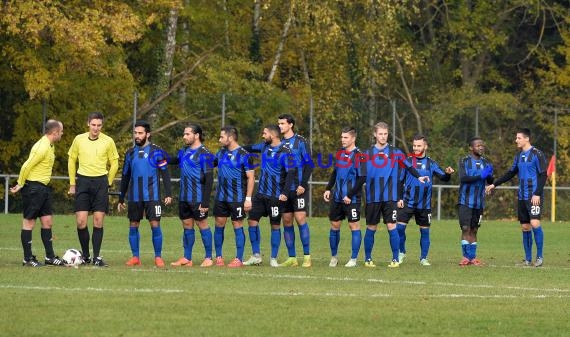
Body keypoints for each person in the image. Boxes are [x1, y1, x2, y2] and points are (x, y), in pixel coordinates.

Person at [363, 122, 429, 268]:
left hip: (390, 197)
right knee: (371, 227)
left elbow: (409, 166)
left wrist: (419, 177)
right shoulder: (367, 154)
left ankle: (395, 259)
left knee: (392, 226)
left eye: (385, 134)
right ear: (375, 135)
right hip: (372, 197)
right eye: (380, 134)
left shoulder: (395, 152)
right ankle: (368, 259)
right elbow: (359, 173)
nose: (383, 136)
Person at [486, 128, 546, 267]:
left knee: (535, 223)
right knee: (525, 227)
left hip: (534, 196)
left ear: (527, 139)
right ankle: (527, 259)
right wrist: (494, 184)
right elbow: (510, 173)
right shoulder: (518, 156)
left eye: (518, 138)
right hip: (522, 196)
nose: (516, 140)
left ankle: (540, 257)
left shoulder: (537, 154)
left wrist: (537, 193)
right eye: (516, 138)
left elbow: (543, 175)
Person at [117, 120, 172, 268]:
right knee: (133, 224)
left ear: (148, 134)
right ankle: (135, 257)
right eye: (135, 133)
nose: (137, 136)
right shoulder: (130, 153)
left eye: (140, 133)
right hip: (135, 196)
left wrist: (168, 193)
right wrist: (121, 198)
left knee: (155, 224)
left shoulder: (156, 152)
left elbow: (165, 173)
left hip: (152, 196)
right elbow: (125, 176)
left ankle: (158, 257)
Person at [10, 120, 65, 267]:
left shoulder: (50, 145)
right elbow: (26, 166)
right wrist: (20, 184)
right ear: (54, 132)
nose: (62, 134)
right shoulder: (41, 147)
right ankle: (27, 258)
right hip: (33, 188)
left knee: (47, 221)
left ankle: (50, 257)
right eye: (61, 132)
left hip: (43, 189)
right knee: (29, 222)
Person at [68, 112, 119, 267]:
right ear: (88, 123)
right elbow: (72, 160)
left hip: (100, 182)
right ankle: (86, 255)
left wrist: (108, 182)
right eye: (93, 125)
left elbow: (115, 162)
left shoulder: (108, 141)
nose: (96, 128)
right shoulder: (78, 139)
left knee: (98, 221)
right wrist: (72, 183)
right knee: (81, 221)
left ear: (101, 126)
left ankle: (96, 257)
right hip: (82, 181)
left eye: (99, 125)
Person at [396, 134, 454, 266]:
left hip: (424, 204)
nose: (415, 148)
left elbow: (444, 178)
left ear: (425, 146)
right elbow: (400, 181)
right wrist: (399, 198)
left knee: (425, 231)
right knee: (399, 228)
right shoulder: (408, 161)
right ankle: (401, 252)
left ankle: (423, 258)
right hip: (407, 201)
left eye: (419, 146)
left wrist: (448, 174)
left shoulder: (431, 163)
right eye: (414, 145)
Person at [242, 124, 295, 267]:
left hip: (275, 197)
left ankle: (273, 258)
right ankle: (256, 255)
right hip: (260, 195)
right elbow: (248, 148)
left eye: (265, 133)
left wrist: (284, 193)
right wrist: (236, 147)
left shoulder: (286, 151)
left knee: (275, 226)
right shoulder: (264, 146)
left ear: (273, 135)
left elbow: (291, 172)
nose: (263, 135)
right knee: (252, 220)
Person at [168, 124, 214, 267]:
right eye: (184, 134)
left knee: (202, 224)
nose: (184, 137)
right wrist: (159, 157)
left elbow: (209, 179)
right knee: (187, 225)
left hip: (198, 197)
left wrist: (205, 202)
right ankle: (187, 258)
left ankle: (208, 258)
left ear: (197, 135)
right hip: (184, 197)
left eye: (187, 134)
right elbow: (174, 160)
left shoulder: (205, 153)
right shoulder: (184, 151)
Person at [323, 126, 366, 267]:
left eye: (345, 137)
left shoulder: (360, 155)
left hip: (352, 198)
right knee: (335, 225)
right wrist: (328, 188)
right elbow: (335, 173)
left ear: (353, 138)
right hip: (337, 197)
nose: (343, 140)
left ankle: (353, 259)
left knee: (354, 225)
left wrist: (350, 195)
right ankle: (334, 257)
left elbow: (362, 178)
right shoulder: (340, 153)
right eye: (342, 137)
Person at [213, 126, 255, 268]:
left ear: (230, 138)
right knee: (219, 224)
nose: (220, 140)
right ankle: (218, 256)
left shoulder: (244, 155)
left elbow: (251, 177)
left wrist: (248, 198)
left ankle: (239, 258)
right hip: (221, 197)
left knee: (237, 224)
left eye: (222, 137)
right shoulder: (220, 153)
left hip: (237, 197)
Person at [277, 113, 313, 267]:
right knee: (286, 221)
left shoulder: (301, 141)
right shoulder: (277, 143)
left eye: (283, 123)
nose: (280, 126)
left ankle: (307, 257)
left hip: (298, 188)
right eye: (279, 124)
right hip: (284, 190)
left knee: (300, 219)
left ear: (290, 125)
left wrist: (303, 184)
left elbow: (309, 164)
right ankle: (292, 258)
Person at [457, 137, 493, 266]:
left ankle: (472, 257)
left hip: (479, 202)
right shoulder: (464, 161)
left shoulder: (486, 162)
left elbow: (490, 182)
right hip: (465, 201)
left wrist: (489, 176)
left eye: (482, 145)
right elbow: (463, 178)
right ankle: (465, 257)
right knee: (465, 228)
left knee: (474, 229)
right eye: (478, 145)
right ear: (471, 148)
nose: (481, 147)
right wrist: (481, 176)